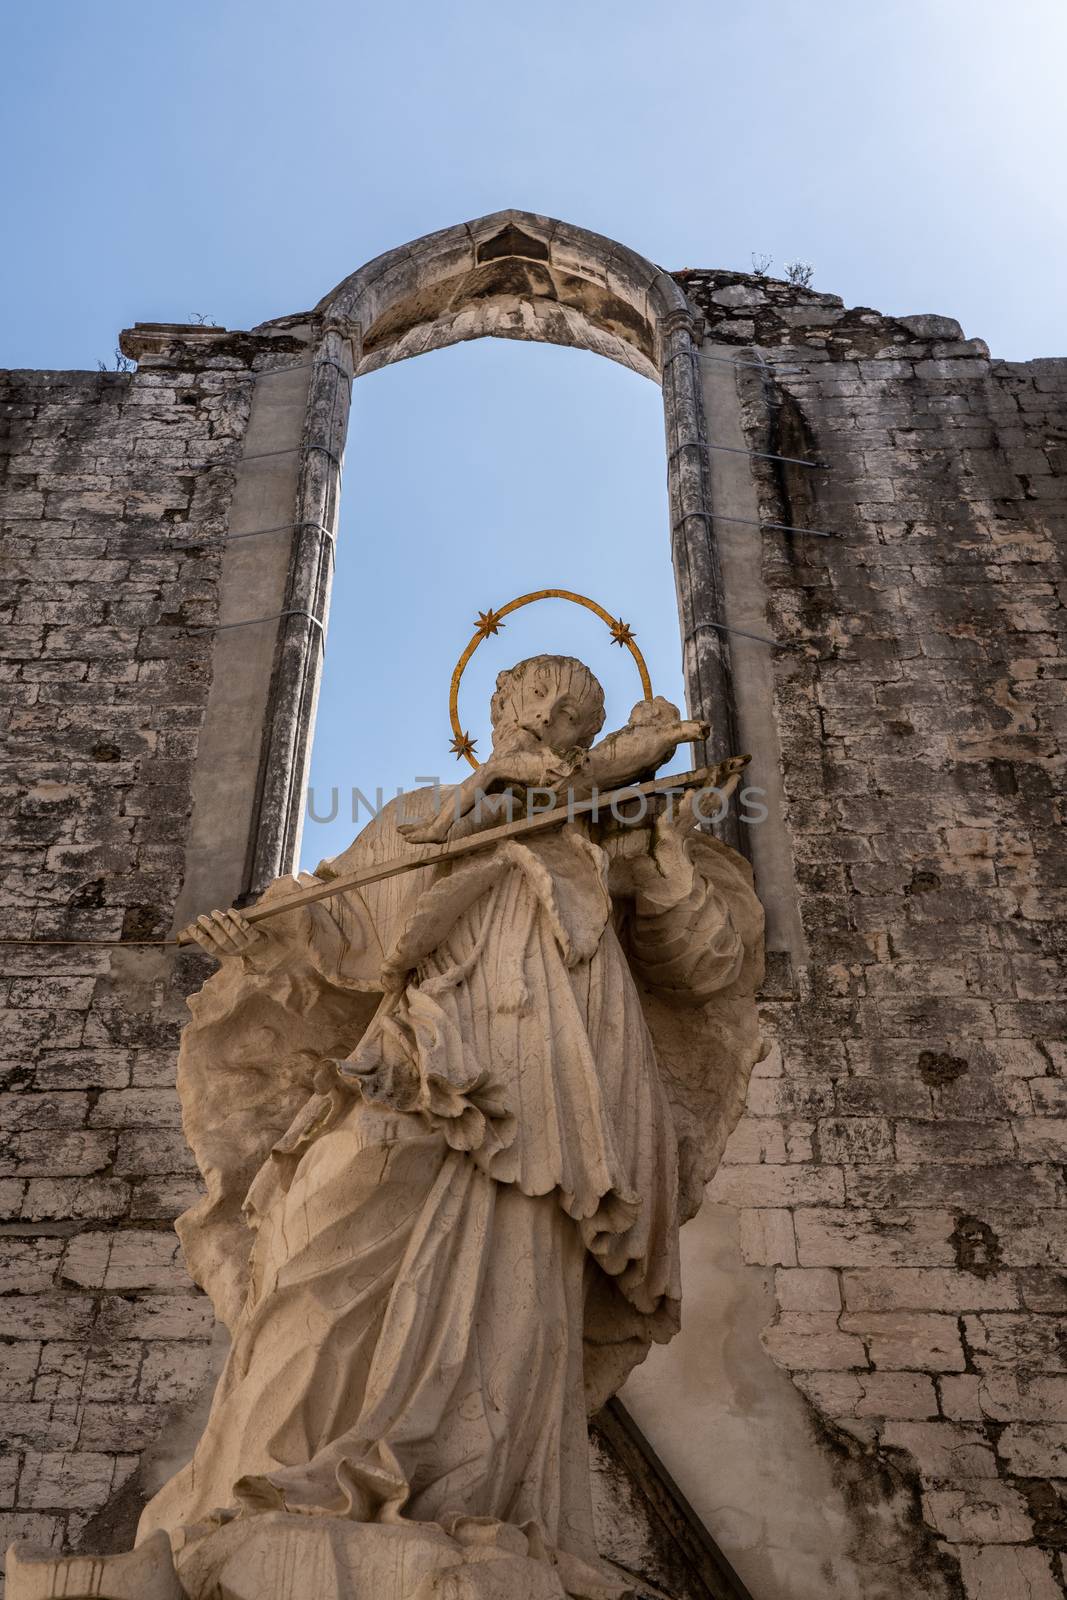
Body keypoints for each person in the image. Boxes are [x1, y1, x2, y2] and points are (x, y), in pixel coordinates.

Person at [139, 655, 764, 1598]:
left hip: (557, 1085)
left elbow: (705, 968)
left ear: (591, 737)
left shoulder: (607, 835)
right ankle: (262, 1484)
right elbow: (342, 925)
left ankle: (483, 1505)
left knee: (516, 1290)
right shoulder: (423, 818)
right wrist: (258, 936)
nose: (552, 720)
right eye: (537, 702)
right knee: (322, 1235)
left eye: (576, 715)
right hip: (424, 1060)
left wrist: (662, 843)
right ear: (497, 710)